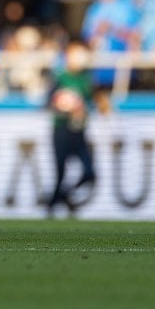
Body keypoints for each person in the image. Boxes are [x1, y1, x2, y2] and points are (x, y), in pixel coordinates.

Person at [45, 40, 100, 215]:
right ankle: (52, 205)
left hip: (79, 131)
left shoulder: (86, 78)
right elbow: (48, 102)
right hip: (61, 130)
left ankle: (61, 197)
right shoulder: (60, 77)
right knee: (60, 172)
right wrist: (64, 107)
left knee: (89, 171)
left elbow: (92, 102)